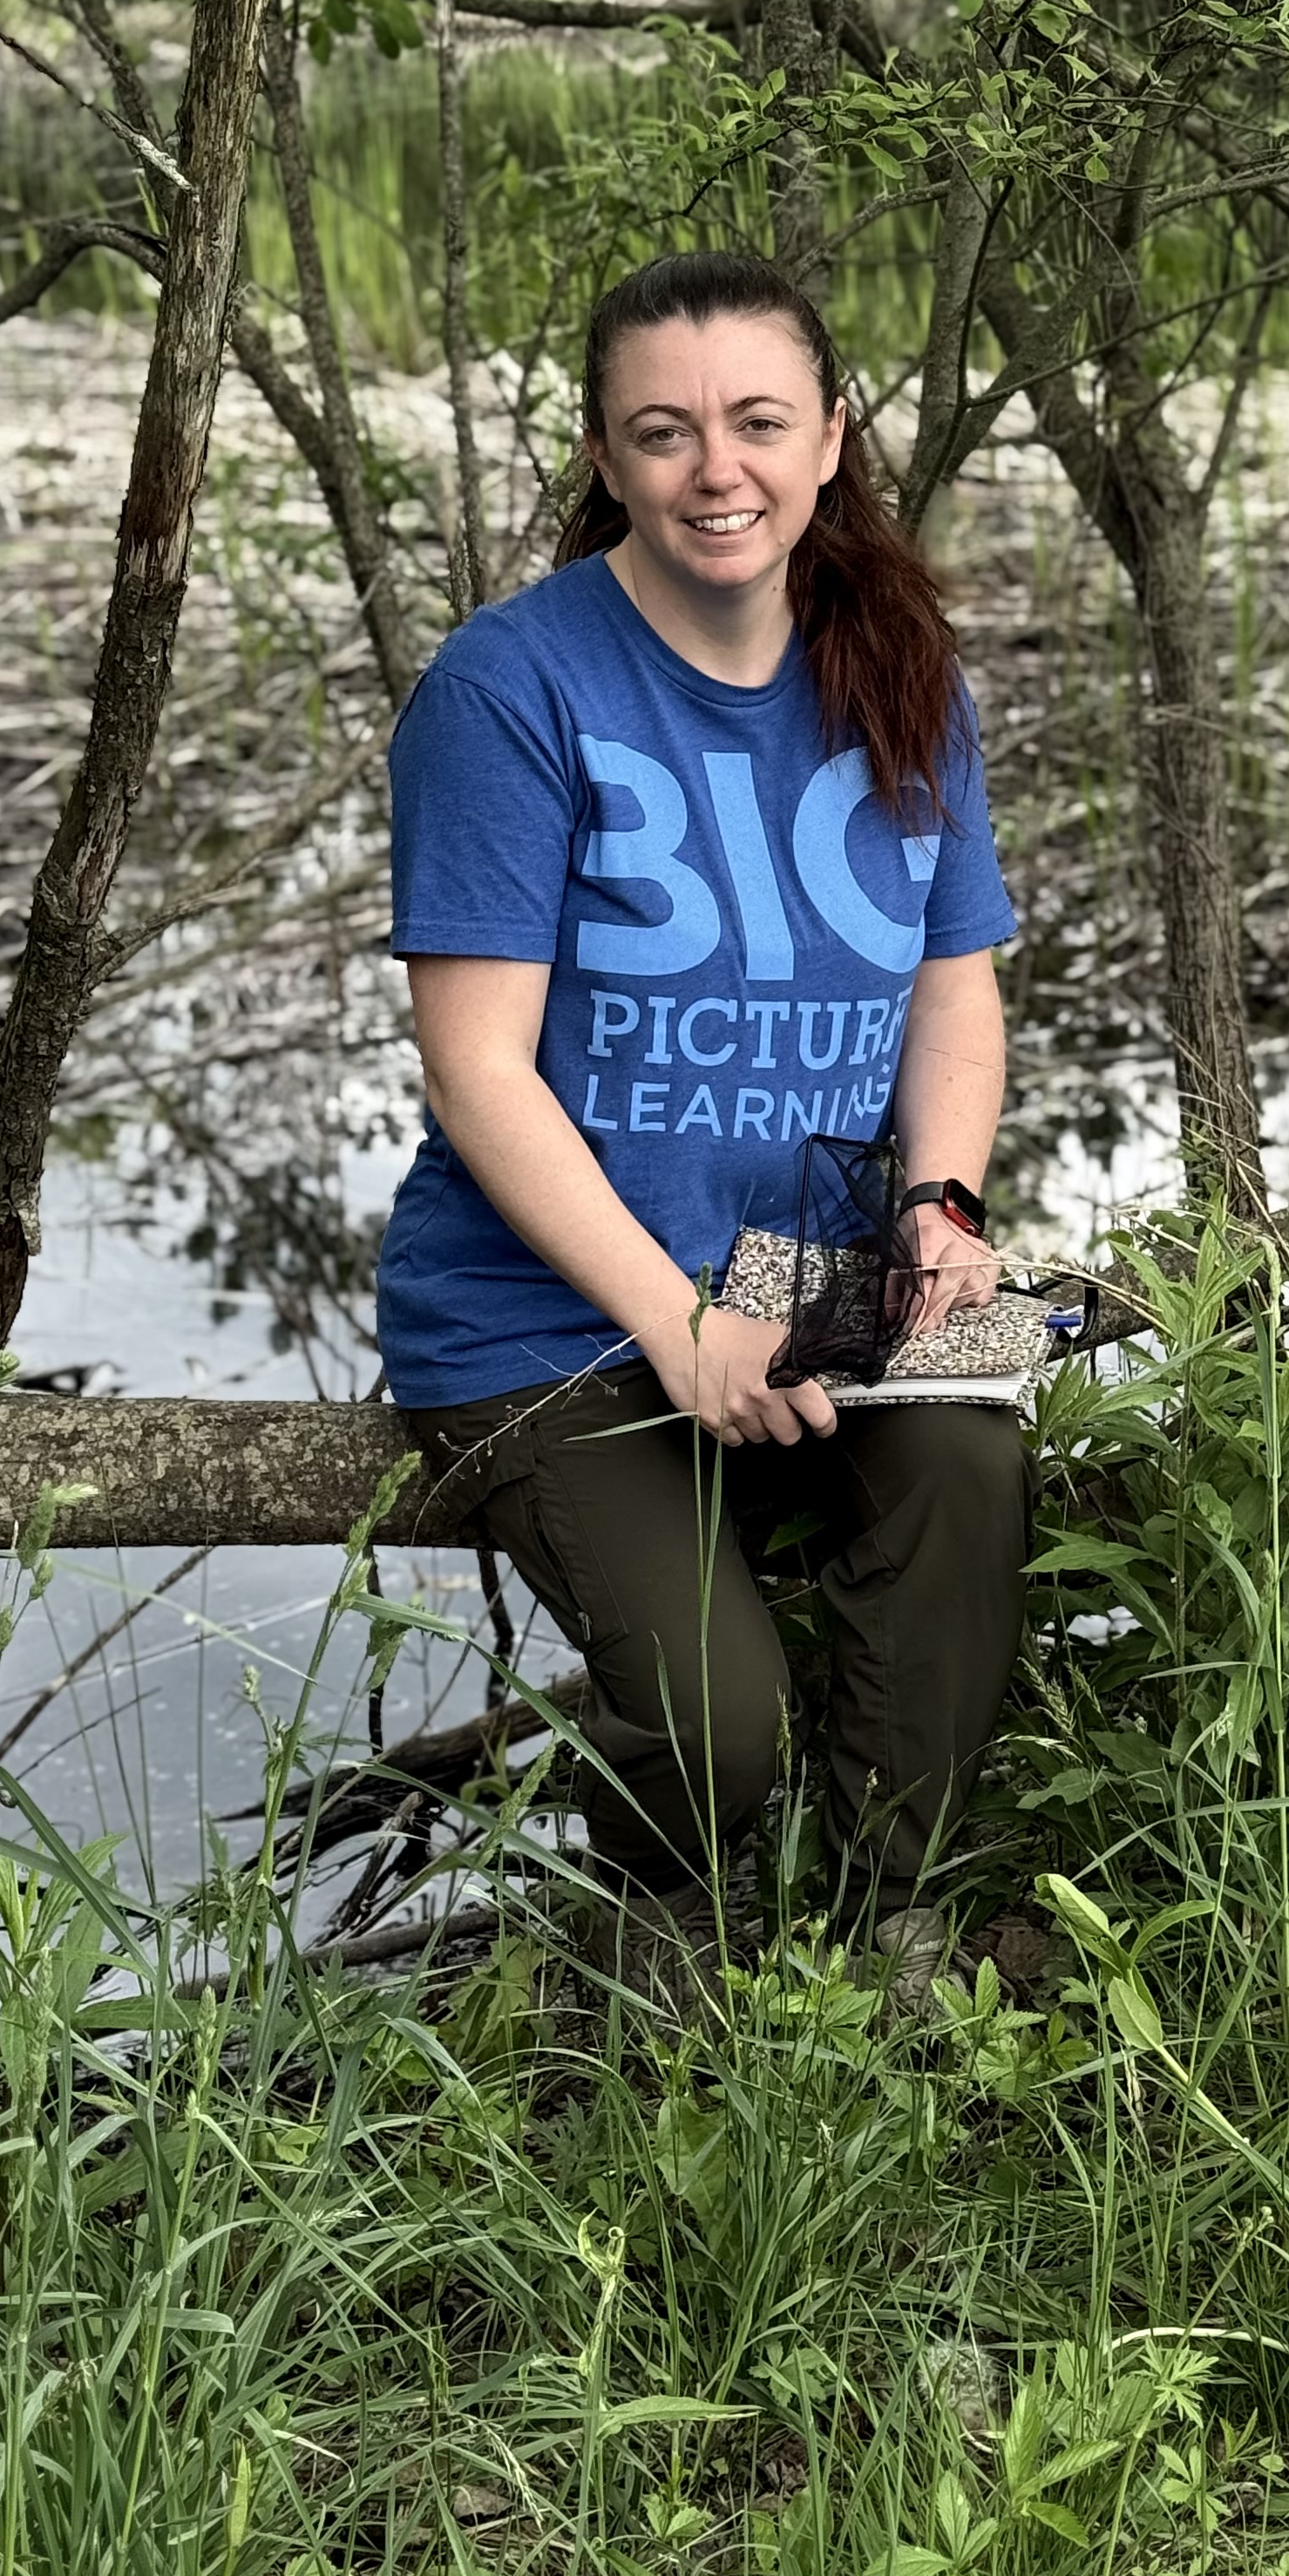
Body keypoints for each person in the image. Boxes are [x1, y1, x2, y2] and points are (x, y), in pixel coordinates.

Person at [373, 247, 1032, 1977]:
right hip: (551, 1311)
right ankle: (675, 1954)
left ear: (830, 438)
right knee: (719, 1728)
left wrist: (943, 1204)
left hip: (808, 1269)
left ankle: (895, 1930)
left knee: (974, 1443)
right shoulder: (511, 689)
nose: (715, 471)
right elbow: (478, 1071)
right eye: (662, 434)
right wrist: (673, 1323)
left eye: (756, 422)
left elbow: (957, 983)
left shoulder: (899, 667)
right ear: (606, 458)